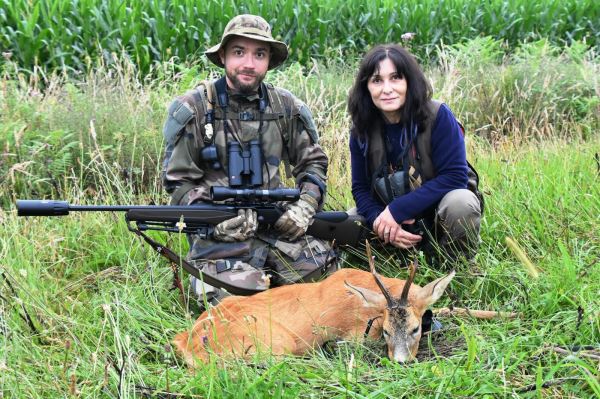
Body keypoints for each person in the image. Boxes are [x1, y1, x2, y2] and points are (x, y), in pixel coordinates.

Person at [161, 15, 335, 304]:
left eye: (260, 54)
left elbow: (313, 163)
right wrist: (212, 222)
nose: (249, 64)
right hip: (220, 239)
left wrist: (304, 206)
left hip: (277, 229)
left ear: (269, 61)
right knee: (240, 304)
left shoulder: (285, 107)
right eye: (239, 52)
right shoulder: (195, 108)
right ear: (223, 56)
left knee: (330, 282)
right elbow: (177, 183)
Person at [347, 44, 483, 263]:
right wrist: (379, 221)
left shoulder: (438, 116)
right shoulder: (361, 129)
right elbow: (360, 189)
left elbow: (455, 177)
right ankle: (385, 264)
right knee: (350, 220)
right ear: (366, 87)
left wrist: (396, 210)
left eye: (396, 78)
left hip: (437, 215)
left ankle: (456, 268)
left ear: (409, 82)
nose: (387, 89)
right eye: (377, 80)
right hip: (391, 221)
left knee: (461, 202)